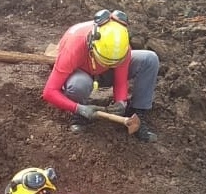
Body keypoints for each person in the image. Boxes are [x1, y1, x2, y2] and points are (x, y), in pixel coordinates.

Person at [42, 8, 160, 142]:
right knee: (78, 85)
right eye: (104, 60)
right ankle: (79, 115)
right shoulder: (74, 47)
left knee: (149, 59)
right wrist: (79, 108)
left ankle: (137, 112)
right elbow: (49, 92)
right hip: (82, 71)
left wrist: (121, 102)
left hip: (104, 71)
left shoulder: (119, 45)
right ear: (92, 45)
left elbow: (120, 81)